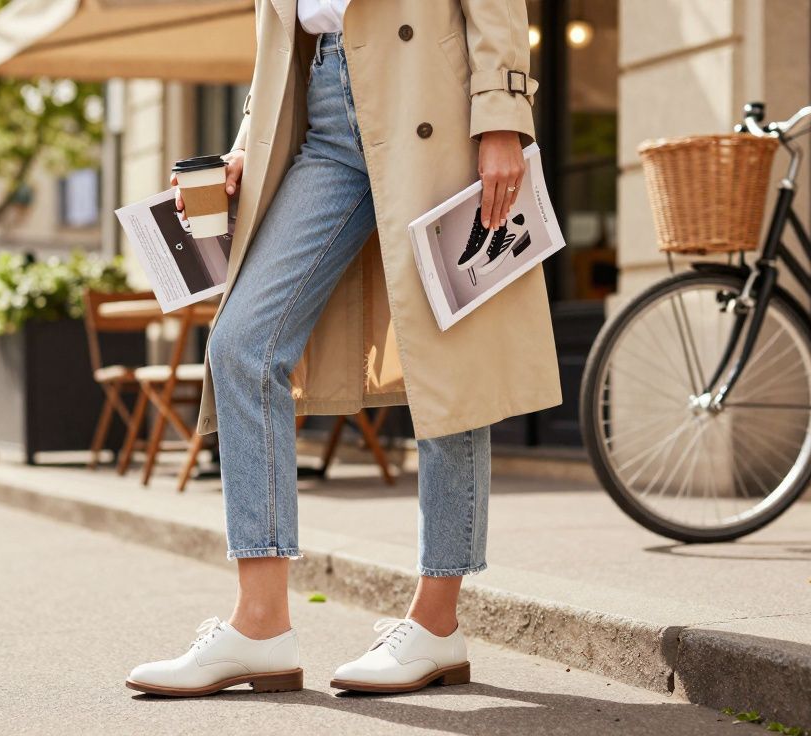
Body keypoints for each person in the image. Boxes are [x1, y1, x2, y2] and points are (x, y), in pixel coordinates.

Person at [127, 0, 560, 697]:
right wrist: (244, 148)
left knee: (450, 363)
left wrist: (503, 115)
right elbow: (280, 42)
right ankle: (260, 625)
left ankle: (436, 622)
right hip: (323, 120)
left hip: (431, 98)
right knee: (241, 343)